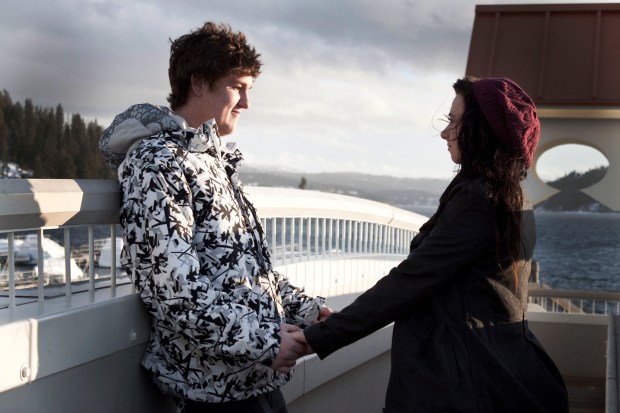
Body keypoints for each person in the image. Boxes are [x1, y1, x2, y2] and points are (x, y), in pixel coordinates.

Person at [291, 77, 569, 412]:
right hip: (502, 369)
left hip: (461, 384)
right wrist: (339, 322)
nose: (445, 133)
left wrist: (319, 337)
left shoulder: (478, 199)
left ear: (481, 131)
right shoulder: (512, 196)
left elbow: (410, 281)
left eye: (454, 122)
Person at [98, 22, 330, 413]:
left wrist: (310, 312)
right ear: (198, 82)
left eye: (249, 89)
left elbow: (250, 274)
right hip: (213, 391)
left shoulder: (210, 160)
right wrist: (266, 341)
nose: (246, 103)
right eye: (237, 87)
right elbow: (174, 291)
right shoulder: (157, 163)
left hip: (253, 378)